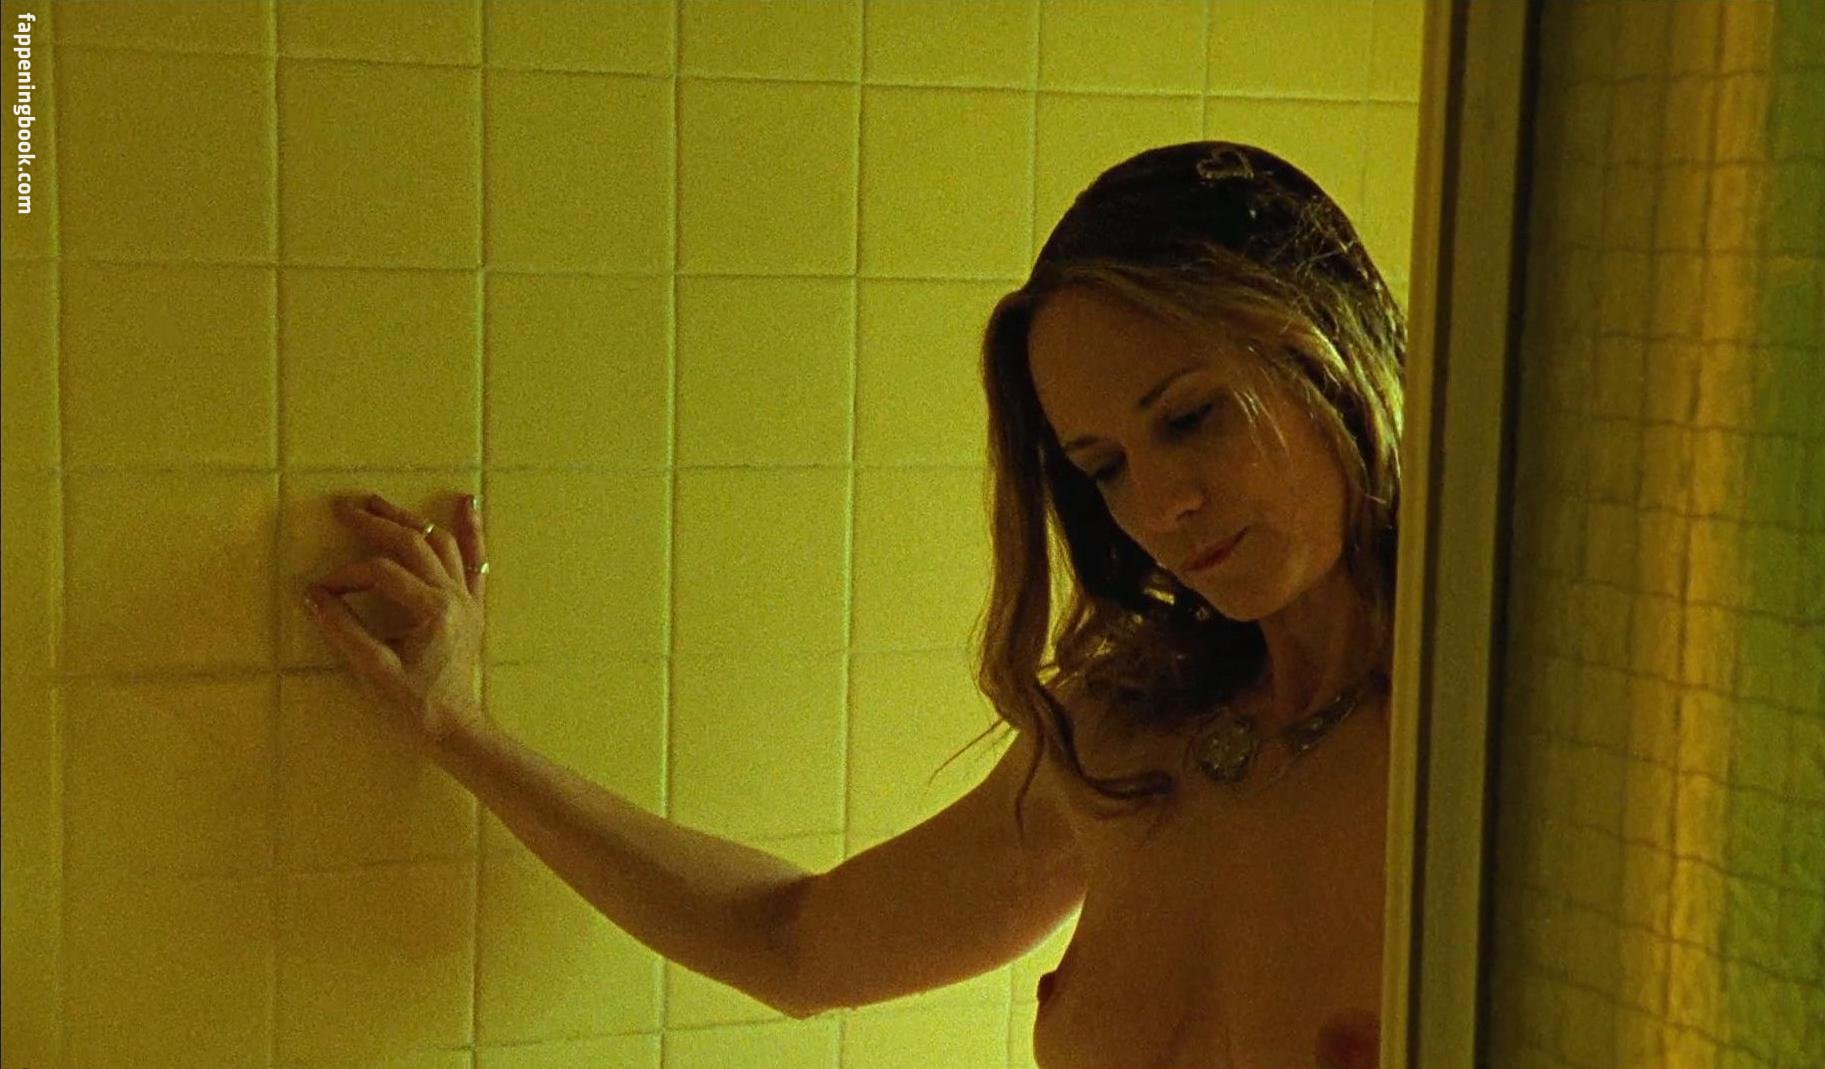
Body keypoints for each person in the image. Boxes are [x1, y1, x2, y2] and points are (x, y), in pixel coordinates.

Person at [304, 140, 1403, 1069]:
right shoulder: (1128, 738)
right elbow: (791, 943)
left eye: (1194, 416)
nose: (1161, 505)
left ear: (1328, 355)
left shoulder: (1461, 760)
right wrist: (455, 725)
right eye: (1102, 465)